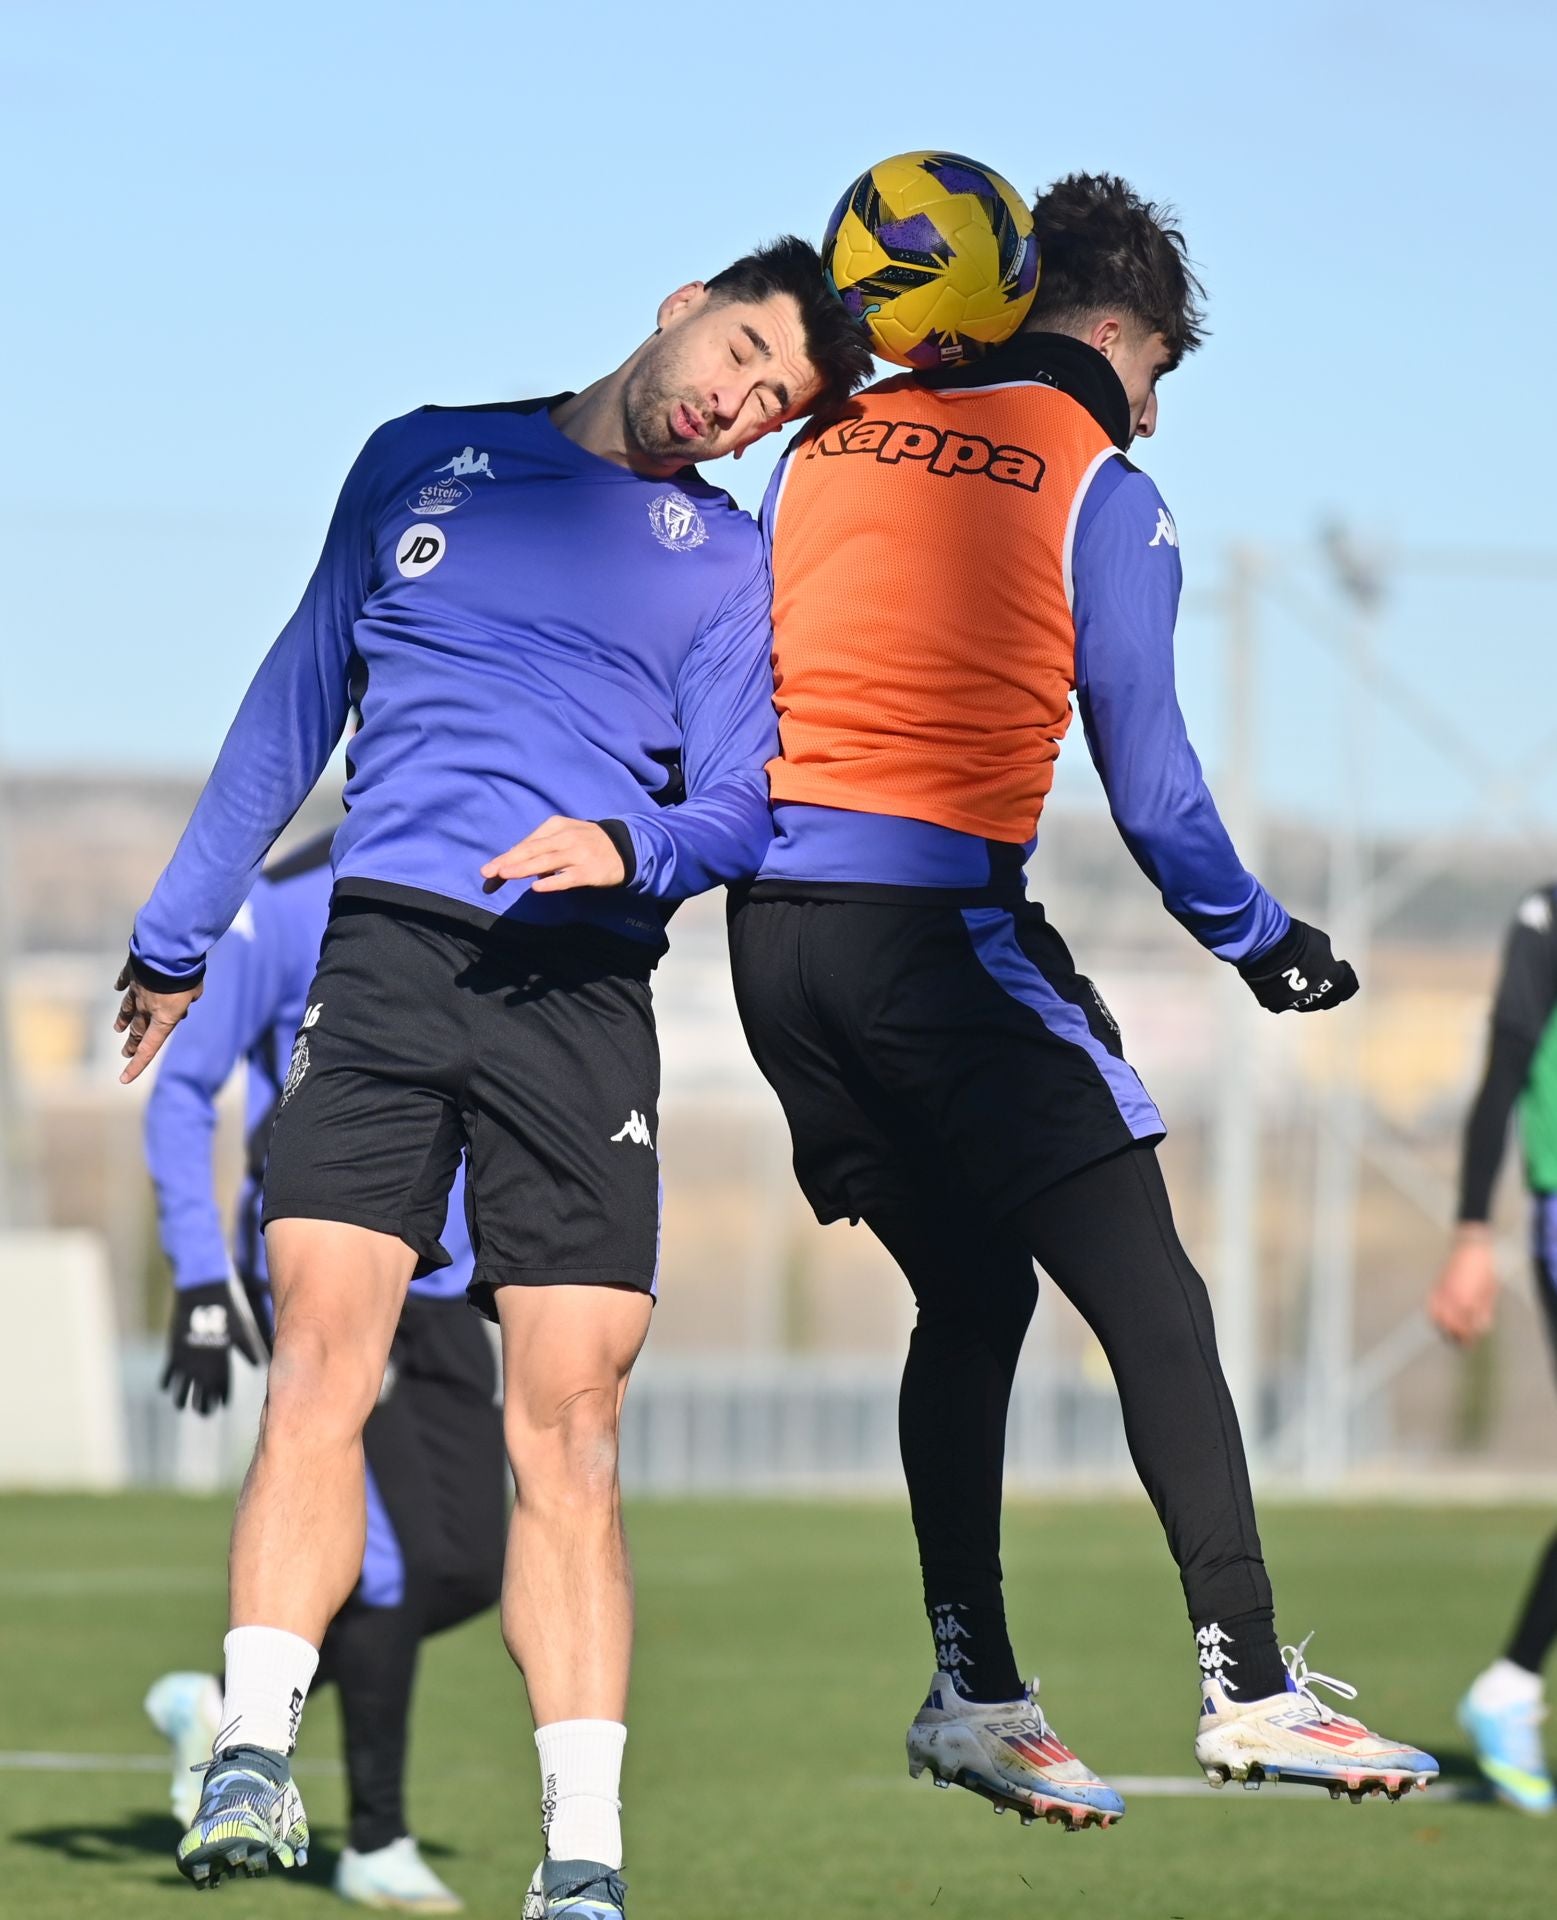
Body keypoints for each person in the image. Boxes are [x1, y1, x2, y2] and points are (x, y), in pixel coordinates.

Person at [112, 237, 873, 1915]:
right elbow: (296, 694)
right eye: (742, 354)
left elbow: (745, 810)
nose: (735, 408)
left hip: (578, 995)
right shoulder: (419, 453)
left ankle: (580, 1865)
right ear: (684, 299)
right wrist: (175, 934)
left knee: (571, 1425)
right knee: (325, 1343)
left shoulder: (724, 566)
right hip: (382, 958)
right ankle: (251, 1751)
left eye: (772, 406)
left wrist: (627, 839)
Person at [728, 169, 1437, 1828]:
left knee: (973, 1296)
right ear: (1115, 332)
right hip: (929, 934)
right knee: (1152, 1291)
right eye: (1159, 374)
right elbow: (1159, 792)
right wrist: (1261, 942)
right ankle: (1252, 1688)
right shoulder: (1094, 483)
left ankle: (971, 1685)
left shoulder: (821, 444)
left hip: (776, 952)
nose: (1155, 410)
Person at [141, 828, 505, 1911]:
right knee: (385, 1564)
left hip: (447, 1280)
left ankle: (219, 1702)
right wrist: (202, 1275)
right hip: (330, 1268)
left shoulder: (503, 879)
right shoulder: (289, 899)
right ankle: (375, 1842)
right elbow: (182, 1085)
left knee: (473, 1568)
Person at [1429, 883, 1557, 1814]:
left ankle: (1508, 1687)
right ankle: (1508, 1687)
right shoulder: (1545, 914)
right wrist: (1472, 1232)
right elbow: (1505, 1064)